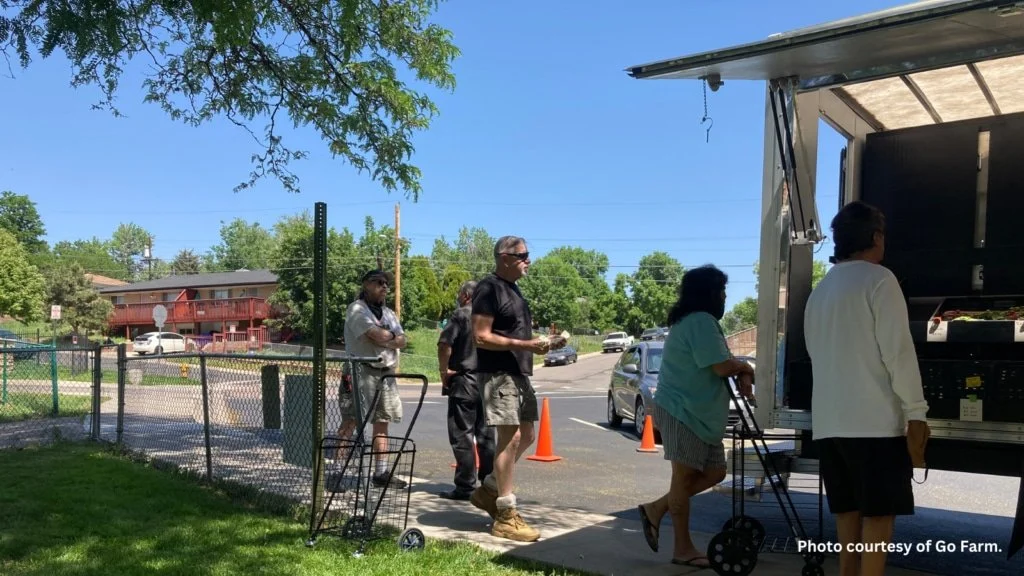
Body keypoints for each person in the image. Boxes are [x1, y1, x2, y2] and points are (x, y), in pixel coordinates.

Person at [804, 201, 930, 576]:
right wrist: (917, 413)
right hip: (874, 425)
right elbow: (898, 353)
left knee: (847, 514)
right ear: (876, 237)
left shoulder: (820, 292)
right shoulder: (880, 280)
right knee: (878, 519)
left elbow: (816, 355)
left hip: (829, 424)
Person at [637, 265, 754, 568]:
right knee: (684, 476)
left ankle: (655, 509)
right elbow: (719, 366)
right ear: (708, 293)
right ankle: (683, 548)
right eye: (722, 291)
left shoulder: (695, 321)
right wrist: (745, 367)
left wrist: (740, 368)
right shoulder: (700, 321)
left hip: (698, 414)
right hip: (683, 410)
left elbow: (717, 364)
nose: (725, 297)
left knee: (715, 472)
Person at [469, 235, 564, 542]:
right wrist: (525, 344)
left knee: (528, 435)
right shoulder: (489, 288)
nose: (528, 260)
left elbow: (513, 334)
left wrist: (544, 343)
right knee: (509, 440)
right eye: (523, 255)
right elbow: (481, 336)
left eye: (528, 254)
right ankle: (506, 515)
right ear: (505, 257)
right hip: (499, 375)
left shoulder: (514, 291)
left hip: (518, 373)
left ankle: (490, 490)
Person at [337, 268, 409, 489]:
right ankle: (337, 472)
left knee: (382, 421)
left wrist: (385, 338)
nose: (384, 286)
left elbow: (402, 340)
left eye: (386, 283)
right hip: (359, 370)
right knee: (350, 420)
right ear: (366, 285)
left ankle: (381, 472)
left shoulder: (388, 313)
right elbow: (375, 335)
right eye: (378, 282)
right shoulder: (357, 309)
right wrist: (388, 338)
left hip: (384, 373)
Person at [436, 280, 496, 501]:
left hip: (464, 381)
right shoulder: (492, 318)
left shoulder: (462, 315)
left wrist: (444, 371)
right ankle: (490, 484)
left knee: (462, 435)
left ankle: (465, 486)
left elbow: (444, 345)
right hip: (487, 382)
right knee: (487, 436)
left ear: (466, 296)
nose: (459, 298)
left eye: (460, 294)